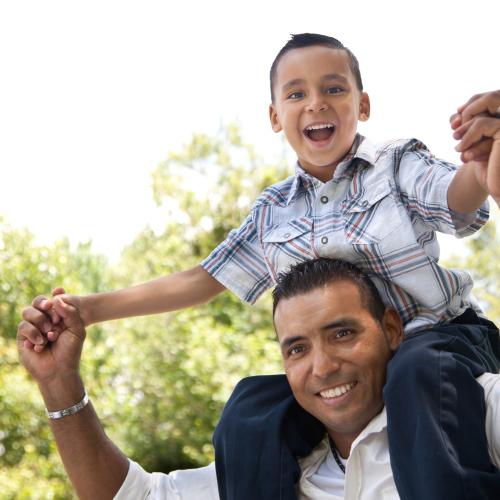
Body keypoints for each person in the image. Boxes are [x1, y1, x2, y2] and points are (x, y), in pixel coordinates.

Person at [22, 33, 500, 499]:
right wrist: (87, 309)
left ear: (363, 105)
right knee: (250, 407)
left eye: (334, 89)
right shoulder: (274, 211)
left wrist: (480, 167)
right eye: (297, 94)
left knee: (416, 371)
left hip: (440, 342)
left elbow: (457, 198)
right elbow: (199, 280)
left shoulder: (395, 164)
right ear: (275, 116)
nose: (316, 103)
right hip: (359, 370)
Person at [18, 258, 500, 499]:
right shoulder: (272, 459)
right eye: (297, 348)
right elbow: (134, 496)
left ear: (392, 329)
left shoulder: (465, 407)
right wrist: (60, 383)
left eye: (343, 333)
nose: (323, 366)